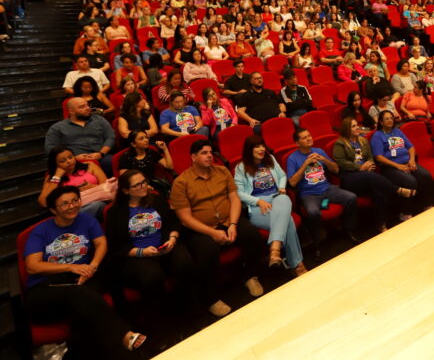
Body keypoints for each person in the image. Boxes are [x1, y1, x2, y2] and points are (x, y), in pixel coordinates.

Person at [23, 186, 146, 358]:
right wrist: (70, 266)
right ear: (53, 209)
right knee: (81, 296)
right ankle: (123, 335)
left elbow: (101, 243)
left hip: (80, 280)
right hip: (45, 289)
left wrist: (92, 267)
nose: (72, 206)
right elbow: (33, 266)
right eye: (64, 204)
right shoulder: (40, 231)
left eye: (75, 200)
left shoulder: (86, 220)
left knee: (84, 309)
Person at [170, 140, 266, 317]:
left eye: (210, 152)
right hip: (201, 228)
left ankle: (249, 276)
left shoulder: (222, 171)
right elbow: (185, 219)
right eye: (204, 153)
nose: (209, 156)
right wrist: (212, 232)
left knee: (253, 235)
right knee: (208, 250)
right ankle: (210, 297)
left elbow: (235, 199)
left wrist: (233, 224)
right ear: (193, 157)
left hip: (228, 219)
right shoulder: (181, 182)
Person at [105, 170, 197, 334]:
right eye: (137, 184)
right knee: (153, 276)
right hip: (136, 255)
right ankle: (157, 326)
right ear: (126, 190)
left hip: (164, 246)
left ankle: (187, 314)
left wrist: (173, 239)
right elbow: (116, 247)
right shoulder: (115, 212)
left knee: (184, 262)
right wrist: (142, 252)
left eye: (144, 181)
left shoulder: (157, 200)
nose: (144, 186)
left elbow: (173, 224)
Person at [233, 135, 307, 276]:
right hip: (258, 205)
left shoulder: (270, 160)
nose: (261, 149)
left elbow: (283, 176)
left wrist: (281, 187)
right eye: (257, 146)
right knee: (289, 222)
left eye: (262, 145)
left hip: (276, 198)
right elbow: (239, 193)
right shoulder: (241, 167)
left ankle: (275, 249)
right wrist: (257, 201)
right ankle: (297, 265)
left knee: (284, 198)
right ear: (249, 149)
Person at [333, 117, 415, 232]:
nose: (357, 128)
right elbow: (341, 162)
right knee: (372, 177)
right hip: (349, 177)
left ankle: (381, 224)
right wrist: (360, 167)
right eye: (353, 126)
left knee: (378, 191)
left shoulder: (363, 141)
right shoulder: (340, 143)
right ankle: (397, 190)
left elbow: (370, 156)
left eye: (357, 125)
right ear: (347, 129)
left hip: (367, 176)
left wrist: (370, 164)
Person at [287, 129, 359, 253]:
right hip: (309, 194)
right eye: (304, 138)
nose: (309, 138)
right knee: (313, 212)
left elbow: (336, 170)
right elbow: (292, 182)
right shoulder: (292, 158)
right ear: (297, 143)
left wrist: (324, 160)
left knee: (351, 197)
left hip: (327, 188)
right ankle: (317, 243)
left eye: (309, 135)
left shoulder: (319, 151)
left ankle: (348, 230)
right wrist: (305, 164)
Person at [370, 110, 433, 221]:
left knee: (425, 175)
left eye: (391, 118)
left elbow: (411, 147)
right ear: (381, 122)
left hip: (407, 163)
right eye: (386, 119)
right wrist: (397, 166)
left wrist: (412, 161)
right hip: (390, 167)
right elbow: (378, 157)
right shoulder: (377, 136)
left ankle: (426, 205)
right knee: (410, 181)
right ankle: (406, 212)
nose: (390, 120)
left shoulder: (397, 131)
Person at [45, 97, 115, 173]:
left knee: (113, 162)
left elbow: (110, 137)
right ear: (71, 112)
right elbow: (50, 149)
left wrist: (101, 153)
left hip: (101, 156)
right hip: (76, 162)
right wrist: (73, 158)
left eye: (87, 105)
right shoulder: (57, 128)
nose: (87, 108)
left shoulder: (99, 120)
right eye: (82, 107)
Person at [38, 146, 110, 219]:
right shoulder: (53, 177)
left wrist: (93, 187)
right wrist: (57, 177)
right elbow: (44, 203)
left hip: (97, 200)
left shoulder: (90, 165)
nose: (69, 161)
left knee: (98, 205)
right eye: (63, 161)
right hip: (74, 209)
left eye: (70, 157)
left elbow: (108, 187)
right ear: (55, 164)